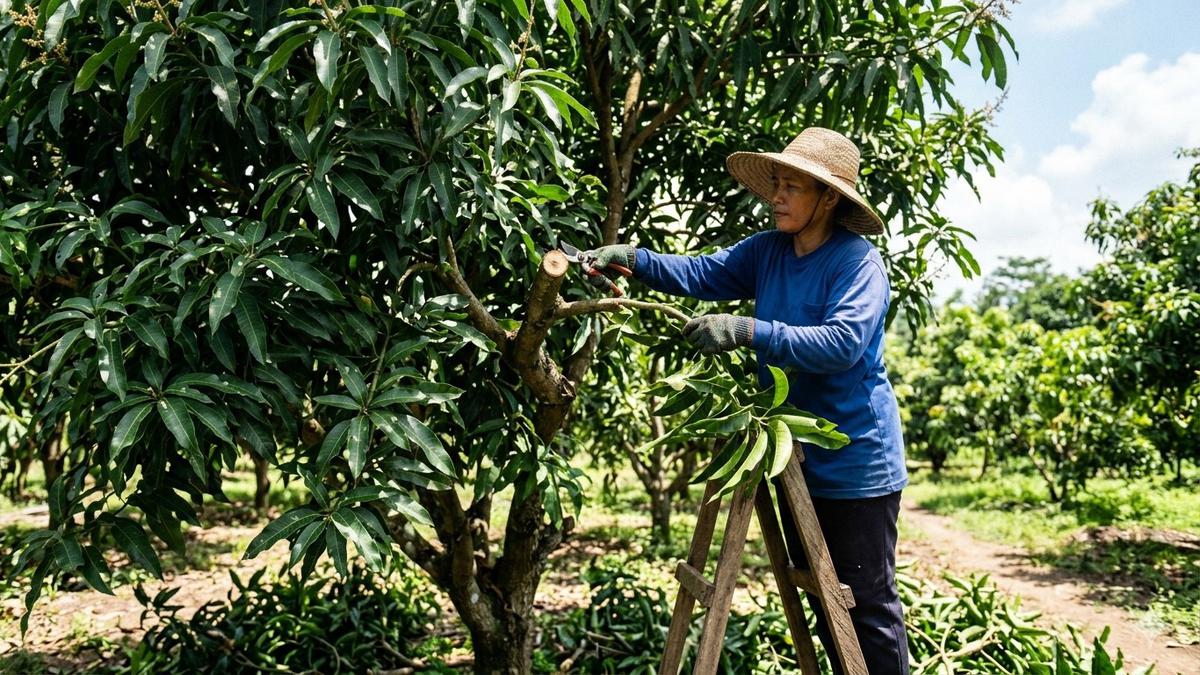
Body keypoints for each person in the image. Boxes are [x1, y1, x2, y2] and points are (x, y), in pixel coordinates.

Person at [584, 127, 910, 674]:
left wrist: (749, 330)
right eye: (776, 185)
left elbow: (842, 344)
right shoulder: (767, 251)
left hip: (856, 462)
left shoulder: (857, 262)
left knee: (866, 603)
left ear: (829, 197)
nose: (776, 197)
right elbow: (701, 271)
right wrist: (634, 259)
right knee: (826, 599)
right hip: (796, 456)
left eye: (792, 188)